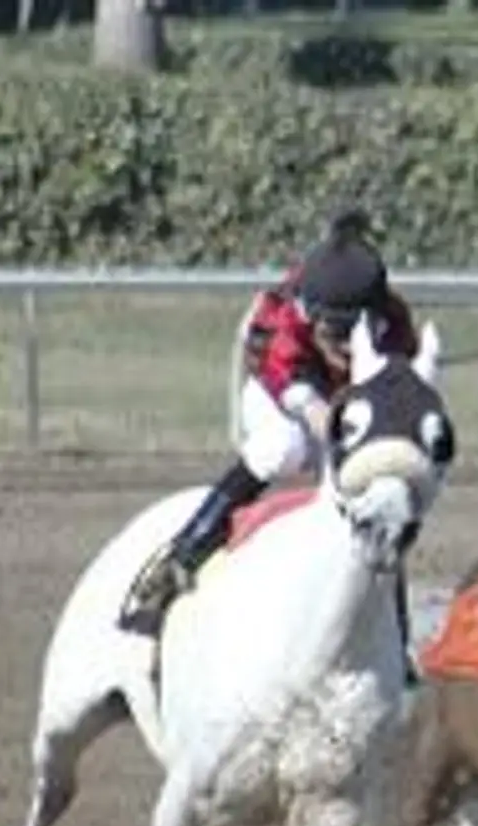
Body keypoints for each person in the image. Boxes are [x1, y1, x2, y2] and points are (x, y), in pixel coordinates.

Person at [120, 211, 421, 638]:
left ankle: (395, 627)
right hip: (277, 387)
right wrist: (315, 410)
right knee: (283, 449)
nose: (344, 345)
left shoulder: (396, 324)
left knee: (373, 488)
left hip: (347, 396)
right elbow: (280, 370)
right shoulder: (281, 314)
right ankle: (181, 558)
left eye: (357, 332)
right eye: (333, 332)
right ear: (309, 314)